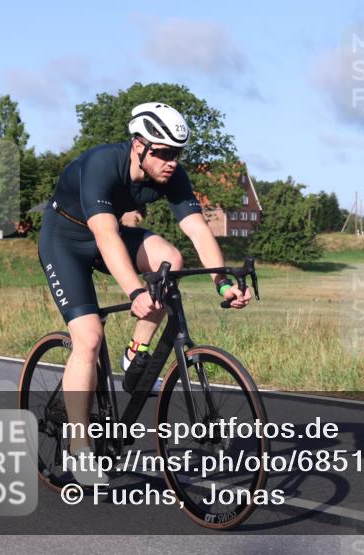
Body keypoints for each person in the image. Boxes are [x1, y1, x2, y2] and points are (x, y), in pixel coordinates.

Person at [37, 102, 250, 484]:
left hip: (111, 236)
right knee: (88, 337)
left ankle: (136, 355)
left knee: (170, 259)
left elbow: (199, 231)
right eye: (165, 153)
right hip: (65, 239)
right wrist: (135, 290)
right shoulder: (101, 165)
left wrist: (222, 280)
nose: (172, 162)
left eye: (178, 154)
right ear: (139, 146)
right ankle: (79, 445)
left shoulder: (173, 175)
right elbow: (105, 234)